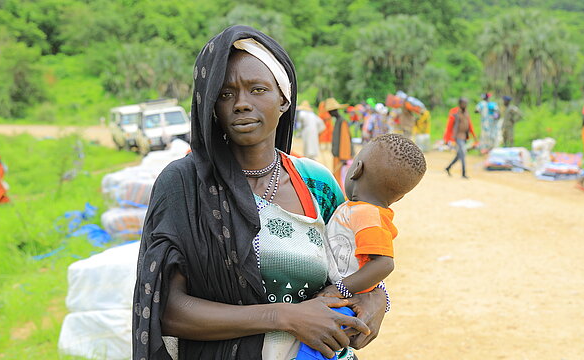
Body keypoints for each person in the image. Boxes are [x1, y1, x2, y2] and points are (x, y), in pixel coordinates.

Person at [133, 26, 388, 360]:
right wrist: (285, 316)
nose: (241, 104)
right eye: (225, 94)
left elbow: (356, 265)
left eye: (257, 89)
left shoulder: (317, 183)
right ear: (211, 106)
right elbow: (167, 309)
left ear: (283, 99)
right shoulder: (184, 185)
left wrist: (378, 299)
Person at [320, 134, 426, 299]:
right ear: (399, 198)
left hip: (347, 302)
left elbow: (384, 264)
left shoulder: (367, 214)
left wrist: (339, 290)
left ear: (357, 169)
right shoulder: (357, 209)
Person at [444, 97, 477, 179]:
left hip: (464, 136)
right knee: (463, 152)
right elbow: (449, 126)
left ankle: (448, 167)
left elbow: (470, 125)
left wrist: (474, 135)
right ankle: (463, 173)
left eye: (466, 103)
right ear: (460, 104)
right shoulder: (455, 113)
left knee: (459, 155)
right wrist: (447, 139)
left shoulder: (466, 113)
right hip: (458, 136)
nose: (465, 105)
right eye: (463, 103)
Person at [327, 97, 353, 187]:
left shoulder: (342, 122)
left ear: (334, 110)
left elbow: (345, 140)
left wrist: (344, 157)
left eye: (330, 111)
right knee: (337, 178)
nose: (329, 113)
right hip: (337, 156)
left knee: (342, 180)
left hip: (342, 157)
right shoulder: (337, 121)